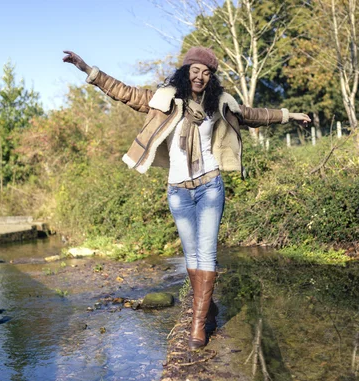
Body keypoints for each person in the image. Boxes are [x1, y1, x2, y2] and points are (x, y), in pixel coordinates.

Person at [63, 47, 311, 350]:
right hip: (178, 191)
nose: (200, 77)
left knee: (205, 255)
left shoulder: (219, 104)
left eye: (207, 73)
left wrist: (289, 115)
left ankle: (198, 322)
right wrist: (88, 70)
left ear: (211, 78)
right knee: (191, 257)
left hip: (210, 186)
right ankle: (208, 308)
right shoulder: (165, 100)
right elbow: (124, 92)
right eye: (195, 70)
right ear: (185, 71)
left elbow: (252, 115)